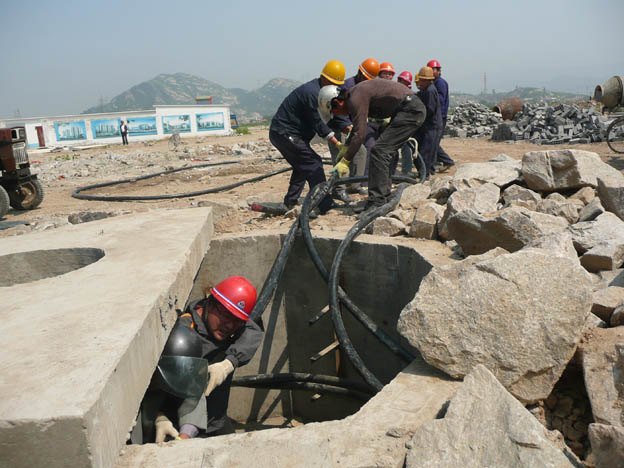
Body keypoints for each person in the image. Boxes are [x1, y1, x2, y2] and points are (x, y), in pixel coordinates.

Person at [133, 276, 263, 443]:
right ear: (210, 303)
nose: (230, 326)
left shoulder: (227, 325)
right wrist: (160, 416)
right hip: (178, 425)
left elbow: (253, 330)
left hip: (215, 421)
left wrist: (229, 363)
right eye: (225, 316)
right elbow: (160, 385)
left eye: (236, 321)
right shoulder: (182, 337)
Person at [318, 79, 426, 215]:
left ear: (337, 102)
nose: (338, 115)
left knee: (379, 151)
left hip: (411, 110)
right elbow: (356, 129)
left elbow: (360, 134)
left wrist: (345, 161)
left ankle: (377, 202)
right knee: (382, 151)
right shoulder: (354, 96)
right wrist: (347, 147)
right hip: (406, 109)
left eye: (334, 112)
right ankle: (384, 196)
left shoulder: (355, 99)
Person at [269, 60, 346, 214]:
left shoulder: (324, 93)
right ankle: (324, 203)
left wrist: (347, 126)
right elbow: (317, 121)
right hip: (284, 133)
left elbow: (330, 115)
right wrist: (337, 143)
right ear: (324, 78)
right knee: (313, 163)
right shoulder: (312, 93)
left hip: (291, 133)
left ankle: (290, 201)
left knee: (302, 166)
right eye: (332, 82)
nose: (333, 86)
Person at [326, 58, 380, 200]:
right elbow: (336, 109)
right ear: (360, 73)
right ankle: (339, 189)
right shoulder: (347, 86)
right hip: (339, 126)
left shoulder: (364, 88)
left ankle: (354, 185)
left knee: (361, 152)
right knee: (341, 156)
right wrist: (347, 125)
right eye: (366, 79)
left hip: (351, 127)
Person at [414, 66, 442, 178]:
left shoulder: (430, 91)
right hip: (429, 125)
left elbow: (429, 110)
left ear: (428, 80)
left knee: (426, 151)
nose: (420, 82)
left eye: (422, 80)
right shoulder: (427, 89)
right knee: (425, 150)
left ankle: (424, 175)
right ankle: (426, 171)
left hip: (431, 126)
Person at [427, 59, 455, 171]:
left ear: (438, 71)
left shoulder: (440, 83)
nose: (431, 72)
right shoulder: (434, 83)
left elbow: (440, 100)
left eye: (433, 70)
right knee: (433, 142)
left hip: (439, 117)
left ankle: (446, 161)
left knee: (433, 142)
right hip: (437, 116)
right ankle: (437, 162)